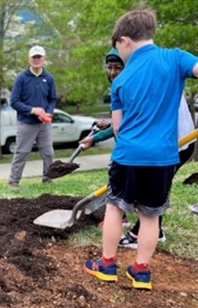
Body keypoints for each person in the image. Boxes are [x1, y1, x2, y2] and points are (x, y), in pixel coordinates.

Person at [83, 8, 198, 290]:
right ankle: (141, 271)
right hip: (162, 157)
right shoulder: (175, 58)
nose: (119, 56)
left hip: (128, 156)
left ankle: (107, 264)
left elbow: (119, 128)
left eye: (117, 49)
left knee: (114, 208)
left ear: (125, 40)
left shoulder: (121, 80)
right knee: (150, 215)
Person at [80, 50, 196, 247]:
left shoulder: (138, 81)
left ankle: (141, 233)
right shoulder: (141, 76)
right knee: (149, 189)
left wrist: (99, 139)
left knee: (153, 192)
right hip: (163, 142)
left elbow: (125, 124)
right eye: (110, 67)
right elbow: (124, 122)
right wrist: (95, 138)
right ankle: (146, 228)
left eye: (118, 67)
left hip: (175, 143)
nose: (113, 72)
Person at [8, 45, 57, 188]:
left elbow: (53, 99)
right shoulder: (21, 78)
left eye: (39, 57)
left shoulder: (49, 78)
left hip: (44, 124)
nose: (36, 60)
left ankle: (47, 178)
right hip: (26, 124)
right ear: (29, 60)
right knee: (21, 153)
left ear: (44, 59)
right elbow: (14, 102)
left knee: (48, 152)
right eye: (34, 57)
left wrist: (48, 112)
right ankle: (14, 181)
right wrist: (32, 110)